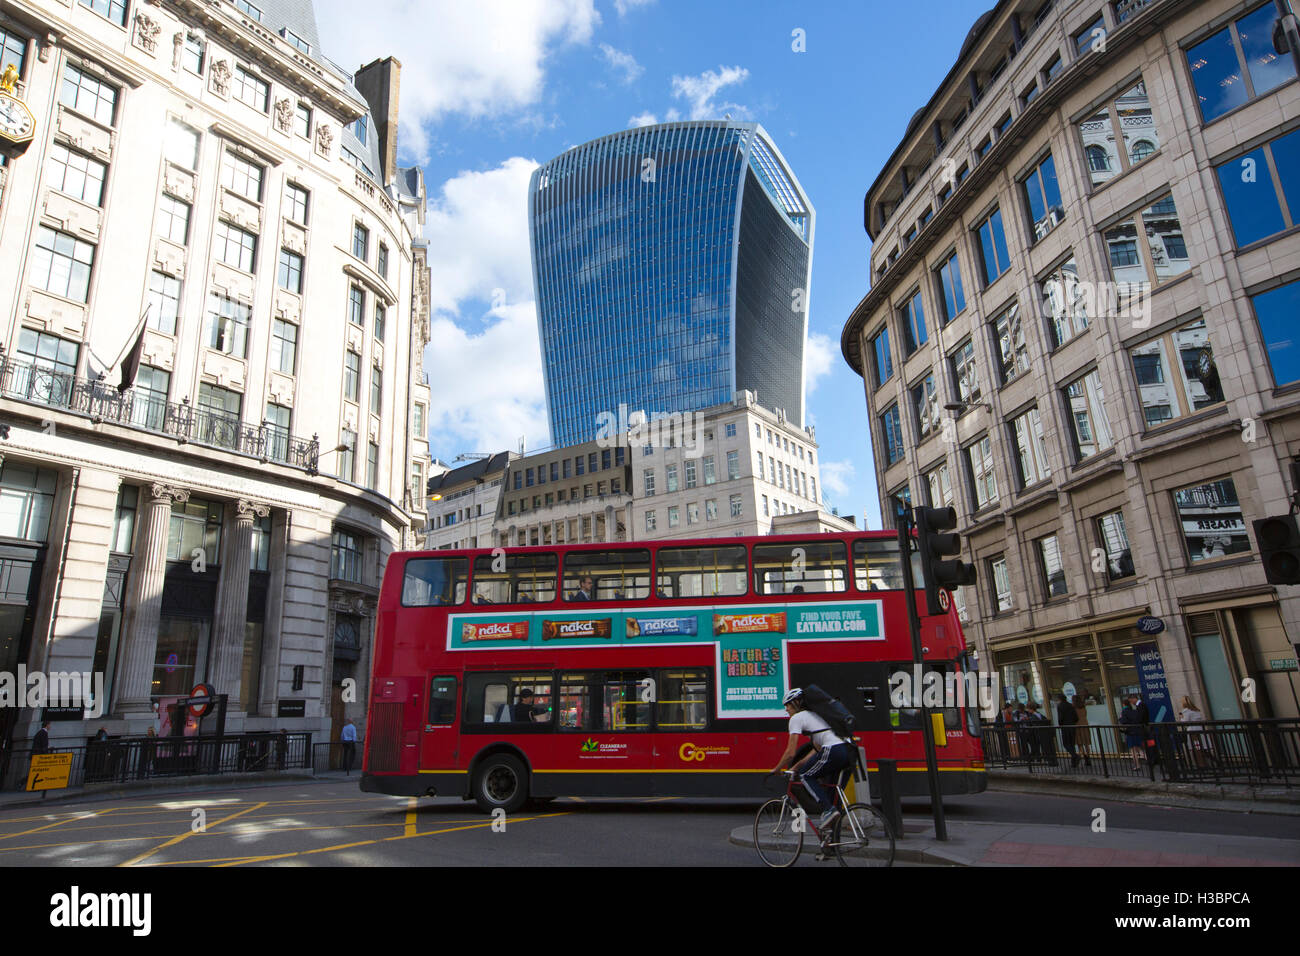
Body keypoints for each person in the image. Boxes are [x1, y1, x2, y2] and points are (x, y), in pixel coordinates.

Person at [768, 688, 855, 830]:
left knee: (805, 775)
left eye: (788, 705)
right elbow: (817, 750)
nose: (787, 710)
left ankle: (828, 810)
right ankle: (832, 846)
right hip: (850, 751)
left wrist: (777, 769)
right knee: (833, 799)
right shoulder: (816, 716)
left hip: (835, 749)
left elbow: (790, 752)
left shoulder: (797, 718)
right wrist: (795, 767)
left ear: (796, 703)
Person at [1177, 695, 1209, 768]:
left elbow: (1185, 722)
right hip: (1199, 729)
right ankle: (1203, 762)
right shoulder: (1195, 710)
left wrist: (1181, 718)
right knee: (1200, 747)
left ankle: (1201, 764)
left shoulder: (1186, 711)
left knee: (1196, 747)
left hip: (1193, 731)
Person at [1119, 695, 1144, 771]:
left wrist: (1120, 718)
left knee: (1133, 750)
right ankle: (1149, 761)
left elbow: (1123, 721)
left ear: (1123, 704)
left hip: (1130, 732)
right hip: (1137, 731)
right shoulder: (1134, 710)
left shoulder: (1124, 711)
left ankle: (1137, 765)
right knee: (1139, 749)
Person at [1057, 692, 1079, 768]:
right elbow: (1076, 717)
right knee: (1071, 743)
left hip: (1065, 727)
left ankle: (1074, 755)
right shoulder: (1070, 705)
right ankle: (1074, 761)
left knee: (1066, 743)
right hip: (1072, 726)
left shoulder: (1060, 706)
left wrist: (1060, 725)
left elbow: (1060, 718)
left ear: (1059, 699)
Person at [1072, 694, 1092, 767]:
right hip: (1085, 724)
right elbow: (1085, 715)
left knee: (1080, 743)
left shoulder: (1073, 708)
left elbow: (1074, 717)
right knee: (1086, 742)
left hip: (1077, 725)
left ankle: (1081, 755)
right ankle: (1088, 757)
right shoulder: (1083, 706)